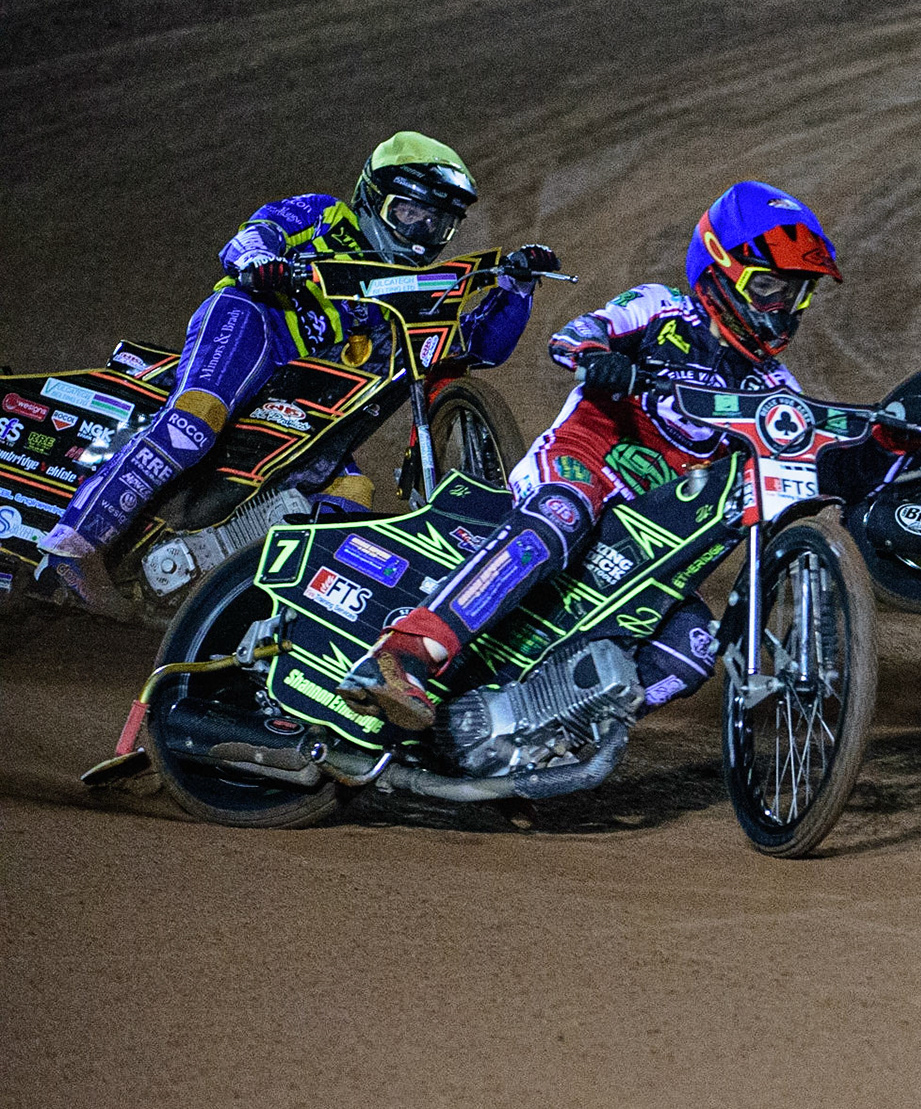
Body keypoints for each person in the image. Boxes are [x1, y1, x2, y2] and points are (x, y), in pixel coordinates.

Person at [338, 180, 841, 730]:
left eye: (795, 293)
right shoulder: (661, 308)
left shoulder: (777, 389)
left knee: (693, 646)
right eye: (768, 286)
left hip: (650, 535)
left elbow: (807, 457)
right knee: (565, 512)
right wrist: (601, 357)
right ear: (721, 269)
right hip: (580, 470)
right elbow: (576, 335)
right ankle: (403, 653)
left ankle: (533, 731)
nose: (782, 307)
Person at [39, 132, 551, 599]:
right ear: (374, 198)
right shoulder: (325, 213)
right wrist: (260, 261)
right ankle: (72, 544)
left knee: (353, 492)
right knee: (195, 423)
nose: (422, 232)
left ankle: (274, 617)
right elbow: (255, 233)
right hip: (256, 321)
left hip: (306, 393)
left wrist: (518, 288)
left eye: (439, 222)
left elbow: (479, 348)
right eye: (410, 213)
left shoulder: (413, 291)